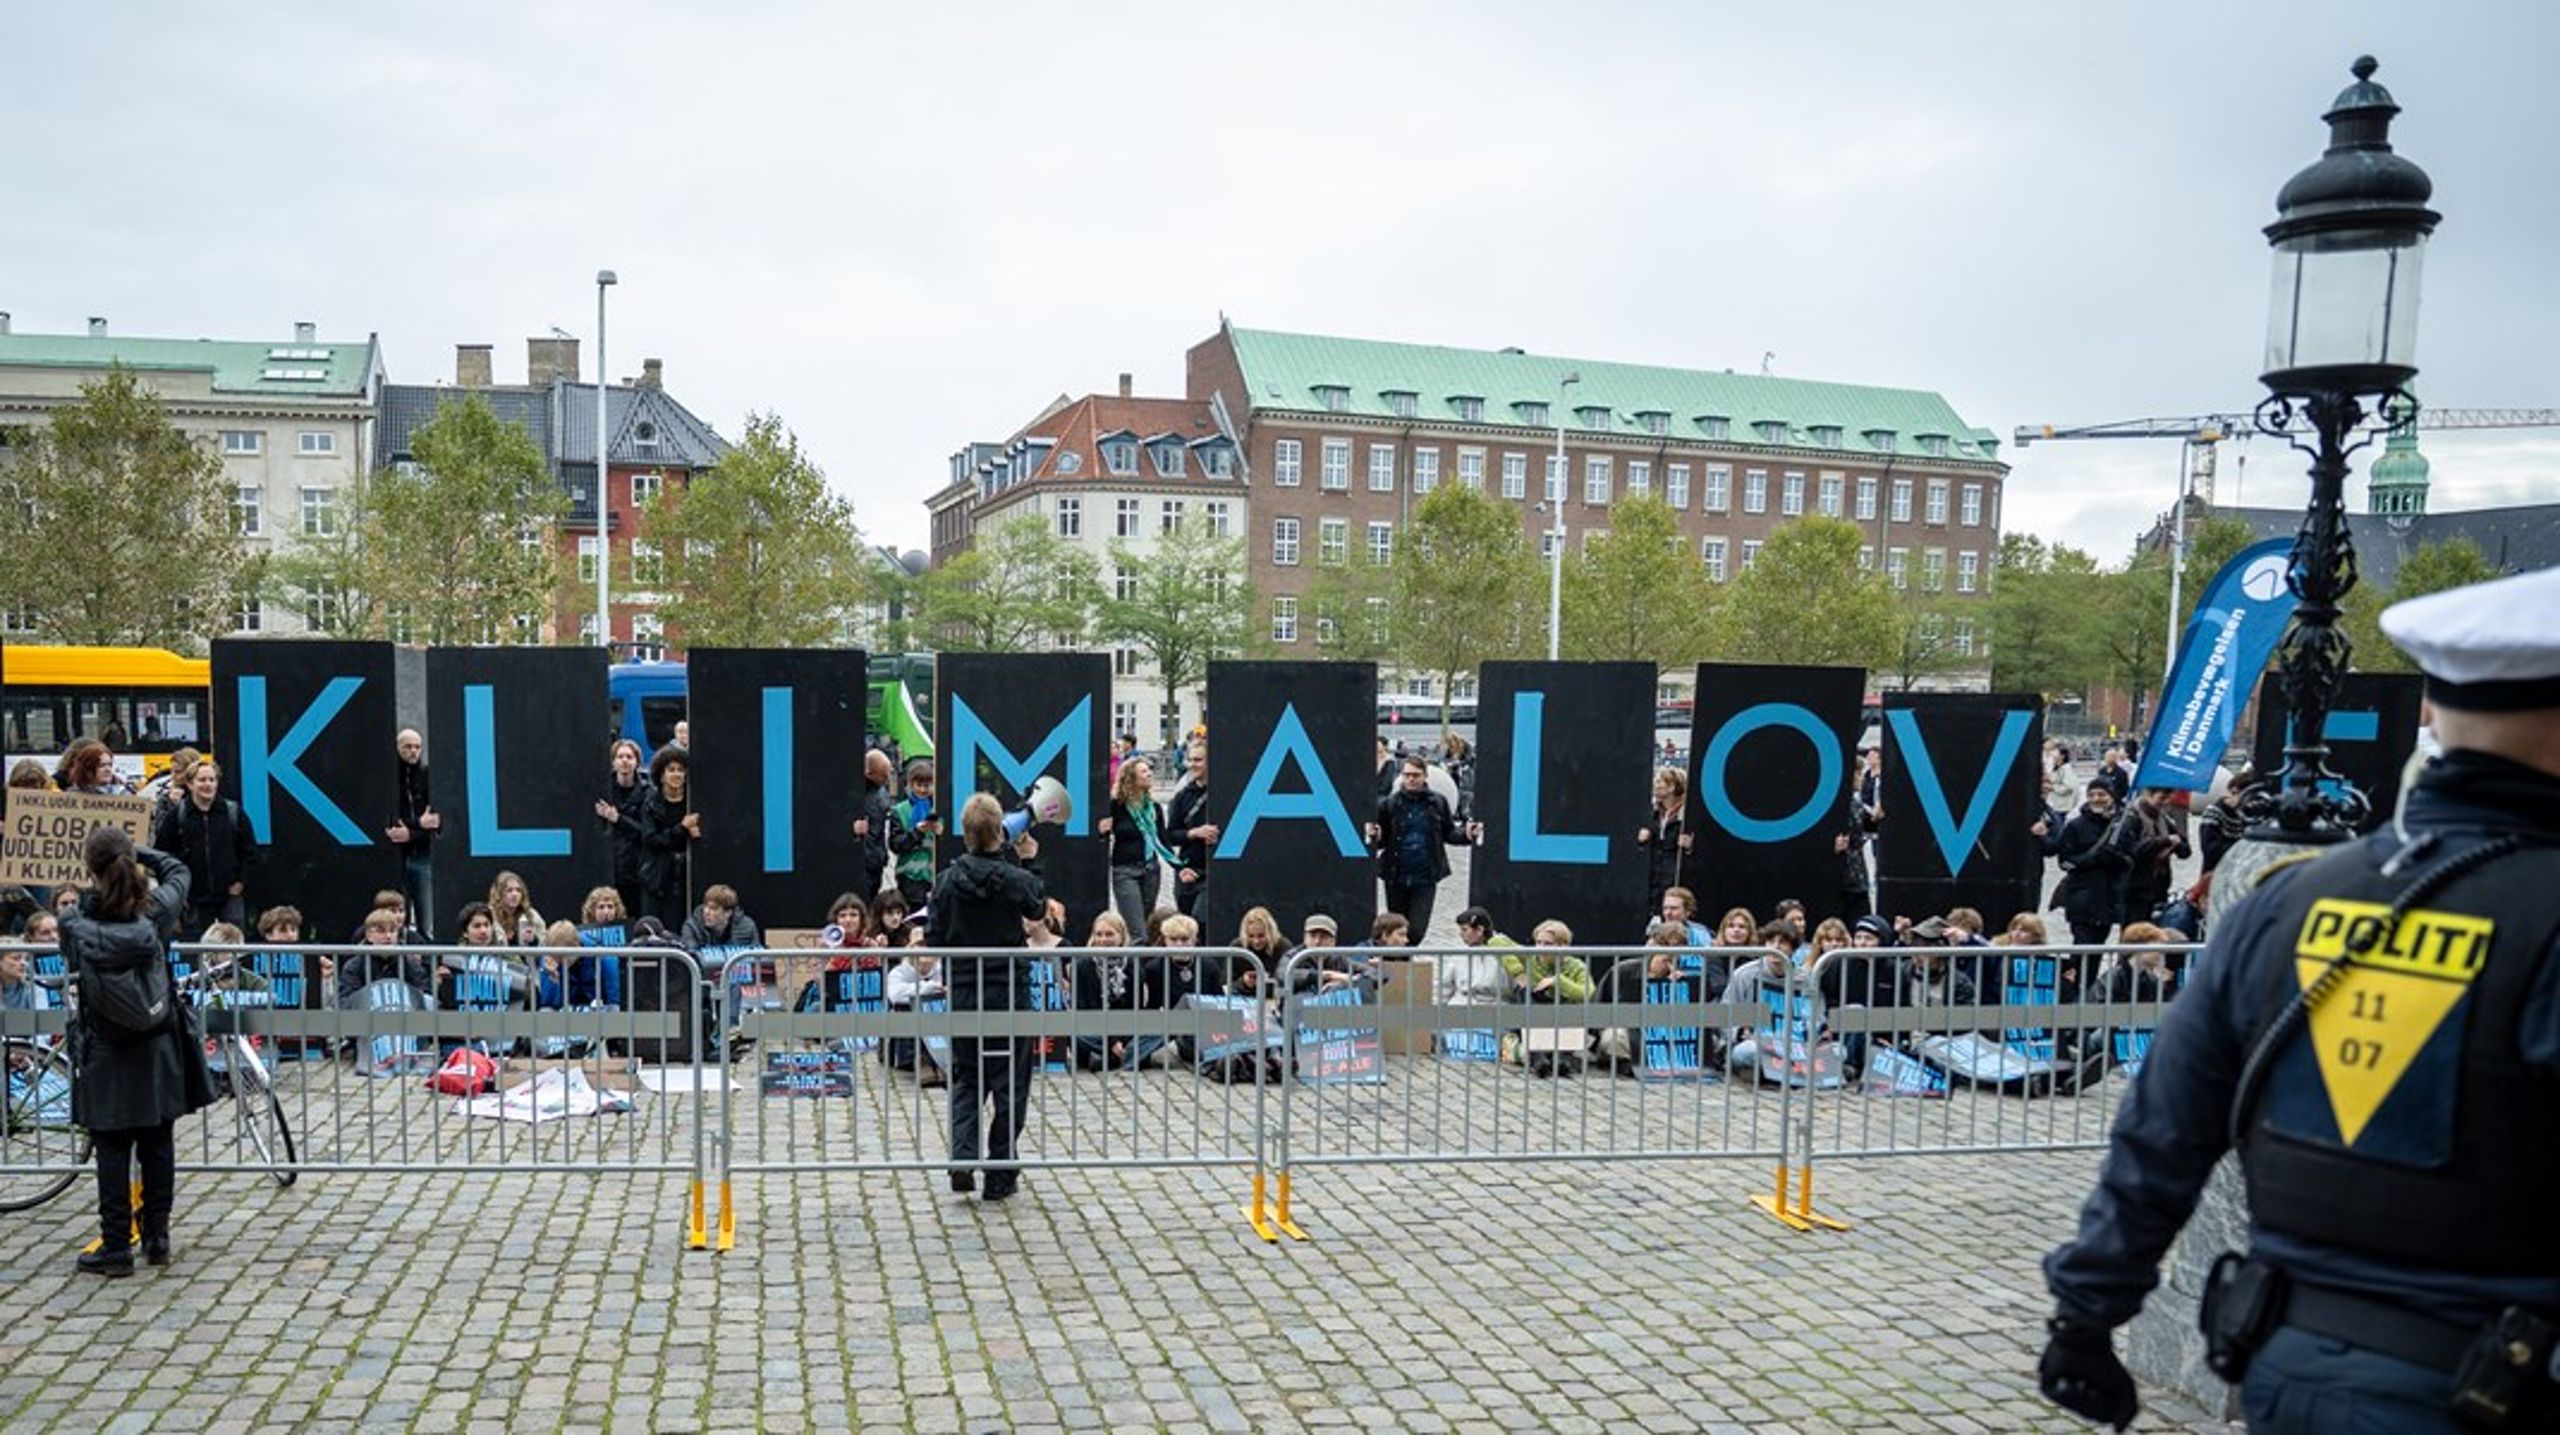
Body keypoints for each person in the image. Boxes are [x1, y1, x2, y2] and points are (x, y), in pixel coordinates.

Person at [2040, 565, 2560, 1433]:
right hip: (2492, 1382)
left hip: (2288, 1370)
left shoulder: (2291, 898)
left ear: (2432, 713)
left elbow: (2164, 1128)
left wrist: (2086, 1313)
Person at [59, 831, 216, 1275]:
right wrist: (139, 850)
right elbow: (179, 870)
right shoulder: (154, 913)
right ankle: (158, 1236)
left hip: (105, 1046)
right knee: (156, 1141)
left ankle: (115, 1247)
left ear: (90, 869)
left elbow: (70, 955)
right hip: (157, 1041)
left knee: (111, 1146)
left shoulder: (73, 922)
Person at [926, 792, 1047, 1203]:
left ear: (964, 832)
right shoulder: (1014, 878)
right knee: (1011, 1082)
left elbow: (934, 937)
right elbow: (1037, 908)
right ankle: (1000, 1171)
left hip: (964, 991)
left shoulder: (946, 880)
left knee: (966, 1078)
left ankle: (962, 1158)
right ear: (1001, 832)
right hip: (1009, 991)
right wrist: (1030, 859)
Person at [1365, 756, 1481, 939]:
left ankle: (1400, 963)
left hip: (1425, 877)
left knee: (1417, 931)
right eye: (1407, 775)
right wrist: (1375, 836)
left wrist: (1467, 835)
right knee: (1396, 930)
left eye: (1415, 775)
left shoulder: (1438, 802)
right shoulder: (1389, 805)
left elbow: (1449, 833)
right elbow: (1381, 840)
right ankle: (1399, 964)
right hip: (1396, 875)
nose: (1411, 779)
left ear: (1425, 776)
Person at [151, 758, 255, 934]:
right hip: (193, 901)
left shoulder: (233, 812)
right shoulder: (177, 816)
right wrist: (177, 889)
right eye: (202, 780)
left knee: (236, 950)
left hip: (229, 898)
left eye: (211, 780)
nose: (207, 785)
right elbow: (162, 855)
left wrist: (240, 882)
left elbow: (249, 852)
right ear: (190, 784)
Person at [2047, 780, 2129, 948]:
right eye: (2091, 795)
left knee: (2098, 948)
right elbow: (2065, 862)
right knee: (2082, 949)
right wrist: (2094, 859)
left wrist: (2117, 859)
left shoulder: (2121, 826)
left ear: (2112, 797)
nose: (2096, 799)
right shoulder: (2075, 826)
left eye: (2101, 795)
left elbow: (2131, 858)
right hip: (2082, 899)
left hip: (2108, 899)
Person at [1097, 756, 1173, 935]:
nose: (1149, 774)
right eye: (1144, 771)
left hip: (1151, 869)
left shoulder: (1153, 807)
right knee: (1137, 930)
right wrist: (1102, 832)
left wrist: (1179, 867)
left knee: (1148, 924)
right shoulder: (1116, 806)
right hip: (1125, 871)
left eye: (1149, 771)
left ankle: (1142, 962)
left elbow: (1163, 840)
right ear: (1131, 778)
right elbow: (1102, 838)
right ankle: (1136, 961)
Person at [638, 745, 700, 933]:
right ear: (662, 775)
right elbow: (651, 841)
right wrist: (681, 828)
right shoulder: (651, 802)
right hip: (657, 876)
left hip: (685, 875)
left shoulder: (694, 800)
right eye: (671, 770)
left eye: (681, 770)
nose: (676, 775)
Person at [385, 728, 440, 938]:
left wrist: (411, 831)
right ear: (397, 748)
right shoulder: (389, 779)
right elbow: (390, 823)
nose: (413, 751)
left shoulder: (429, 777)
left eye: (417, 747)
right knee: (397, 919)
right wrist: (419, 824)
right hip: (394, 856)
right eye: (407, 747)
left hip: (423, 854)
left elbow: (435, 821)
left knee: (427, 921)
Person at [592, 738, 653, 923]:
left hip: (637, 869)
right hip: (608, 867)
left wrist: (618, 819)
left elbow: (647, 833)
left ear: (637, 761)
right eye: (620, 756)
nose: (625, 761)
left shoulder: (648, 792)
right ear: (613, 761)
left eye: (629, 757)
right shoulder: (603, 789)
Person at [1165, 740, 1218, 917]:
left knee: (1201, 918)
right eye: (1190, 760)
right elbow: (1171, 834)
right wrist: (1194, 833)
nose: (1192, 765)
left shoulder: (1224, 794)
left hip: (1212, 871)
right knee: (1187, 921)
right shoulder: (1182, 796)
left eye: (1198, 760)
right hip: (1188, 870)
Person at [1635, 767, 1694, 917]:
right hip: (1653, 877)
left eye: (1660, 781)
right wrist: (1641, 842)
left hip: (1676, 878)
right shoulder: (1651, 813)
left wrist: (1689, 848)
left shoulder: (1688, 814)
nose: (1655, 785)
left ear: (1673, 786)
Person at [887, 760, 941, 910]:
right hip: (909, 878)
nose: (923, 790)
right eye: (919, 785)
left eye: (927, 785)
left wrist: (940, 834)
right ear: (910, 784)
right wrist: (916, 832)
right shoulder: (899, 811)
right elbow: (895, 845)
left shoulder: (939, 808)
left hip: (935, 876)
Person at [852, 748, 894, 901]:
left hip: (877, 858)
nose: (888, 778)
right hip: (865, 859)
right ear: (869, 773)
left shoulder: (881, 791)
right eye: (884, 775)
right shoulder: (857, 792)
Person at [679, 883, 762, 951]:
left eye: (713, 908)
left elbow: (757, 961)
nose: (706, 912)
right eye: (705, 906)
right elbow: (691, 959)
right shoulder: (692, 927)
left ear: (728, 913)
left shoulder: (747, 927)